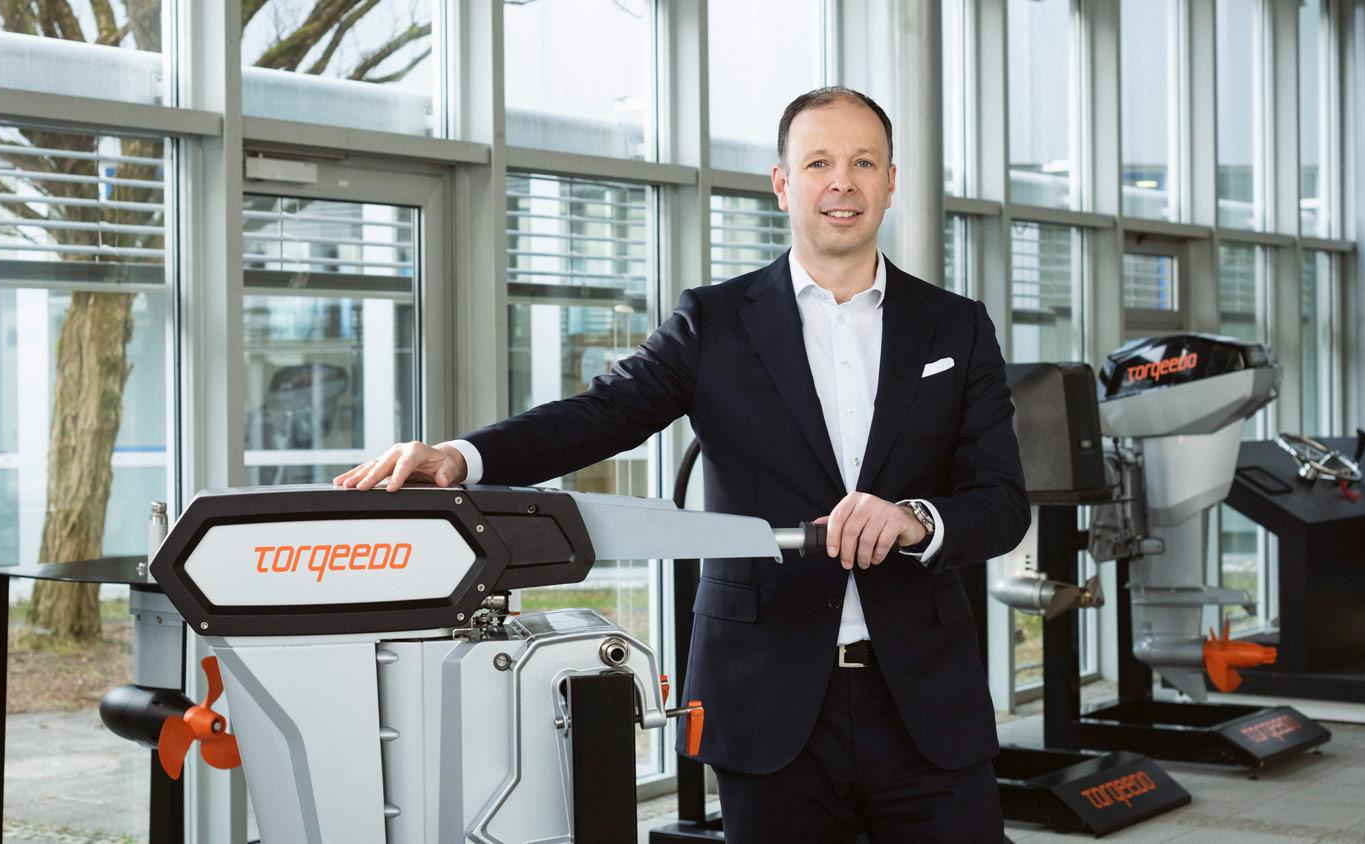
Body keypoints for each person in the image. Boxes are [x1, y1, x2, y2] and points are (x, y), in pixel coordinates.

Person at [335, 86, 1028, 843]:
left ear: (891, 182)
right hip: (764, 698)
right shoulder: (714, 322)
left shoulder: (956, 327)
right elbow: (600, 414)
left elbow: (1000, 501)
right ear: (782, 183)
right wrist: (461, 457)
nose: (842, 182)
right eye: (819, 163)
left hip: (926, 701)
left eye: (863, 163)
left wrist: (915, 519)